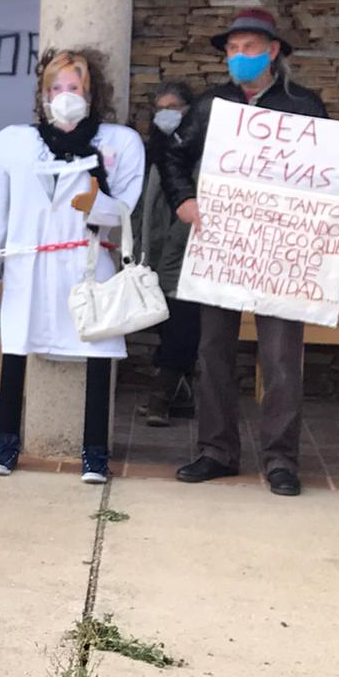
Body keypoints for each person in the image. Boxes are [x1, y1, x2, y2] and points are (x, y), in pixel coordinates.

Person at [165, 9, 339, 496]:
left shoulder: (304, 105)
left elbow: (328, 175)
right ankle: (215, 450)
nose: (240, 57)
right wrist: (183, 199)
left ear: (274, 51)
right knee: (213, 349)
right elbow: (173, 155)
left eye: (250, 48)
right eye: (232, 49)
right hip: (223, 245)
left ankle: (281, 459)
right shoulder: (211, 105)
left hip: (284, 252)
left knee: (281, 356)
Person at [0, 47, 144, 484]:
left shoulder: (117, 142)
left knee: (97, 346)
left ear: (91, 93)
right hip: (27, 259)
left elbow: (125, 207)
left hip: (84, 258)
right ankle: (5, 443)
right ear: (43, 93)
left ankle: (95, 452)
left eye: (74, 88)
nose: (64, 96)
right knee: (15, 345)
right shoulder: (14, 141)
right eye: (56, 88)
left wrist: (98, 204)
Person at [131, 82, 199, 427]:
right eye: (160, 108)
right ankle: (181, 393)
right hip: (156, 252)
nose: (167, 114)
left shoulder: (201, 153)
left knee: (183, 320)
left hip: (191, 252)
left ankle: (163, 390)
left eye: (175, 107)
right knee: (170, 319)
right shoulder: (150, 153)